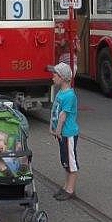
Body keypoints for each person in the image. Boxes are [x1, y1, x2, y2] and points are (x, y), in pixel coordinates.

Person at [49, 62, 79, 201]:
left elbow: (62, 116)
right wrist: (52, 127)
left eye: (55, 74)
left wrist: (58, 130)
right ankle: (66, 186)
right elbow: (55, 112)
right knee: (65, 161)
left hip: (67, 133)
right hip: (62, 133)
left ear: (62, 77)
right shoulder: (61, 92)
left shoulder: (69, 96)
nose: (52, 77)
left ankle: (70, 189)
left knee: (71, 161)